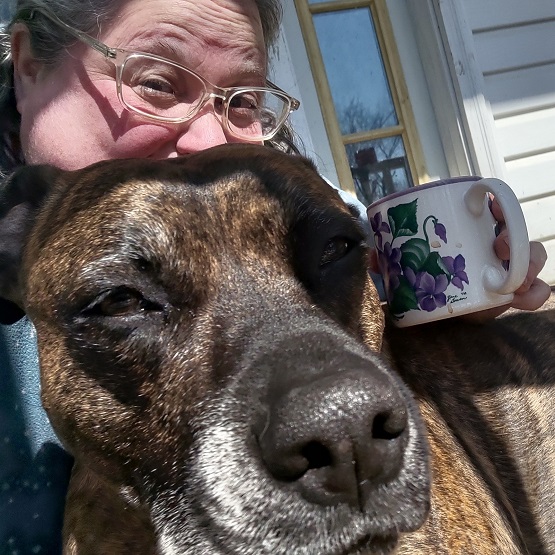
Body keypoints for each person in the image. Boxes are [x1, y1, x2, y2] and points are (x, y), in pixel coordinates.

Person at [0, 0, 550, 551]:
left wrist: (446, 288)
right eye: (158, 84)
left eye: (243, 101)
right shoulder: (30, 230)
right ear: (27, 64)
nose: (210, 141)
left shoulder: (293, 192)